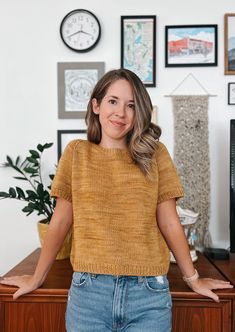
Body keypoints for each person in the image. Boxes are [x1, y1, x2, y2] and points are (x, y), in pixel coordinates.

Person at [0, 69, 233, 332]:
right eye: (113, 101)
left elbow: (169, 221)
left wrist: (193, 279)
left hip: (149, 295)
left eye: (131, 105)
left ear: (139, 112)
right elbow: (61, 220)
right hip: (88, 295)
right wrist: (37, 277)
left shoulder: (155, 154)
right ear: (96, 105)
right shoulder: (77, 154)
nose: (121, 113)